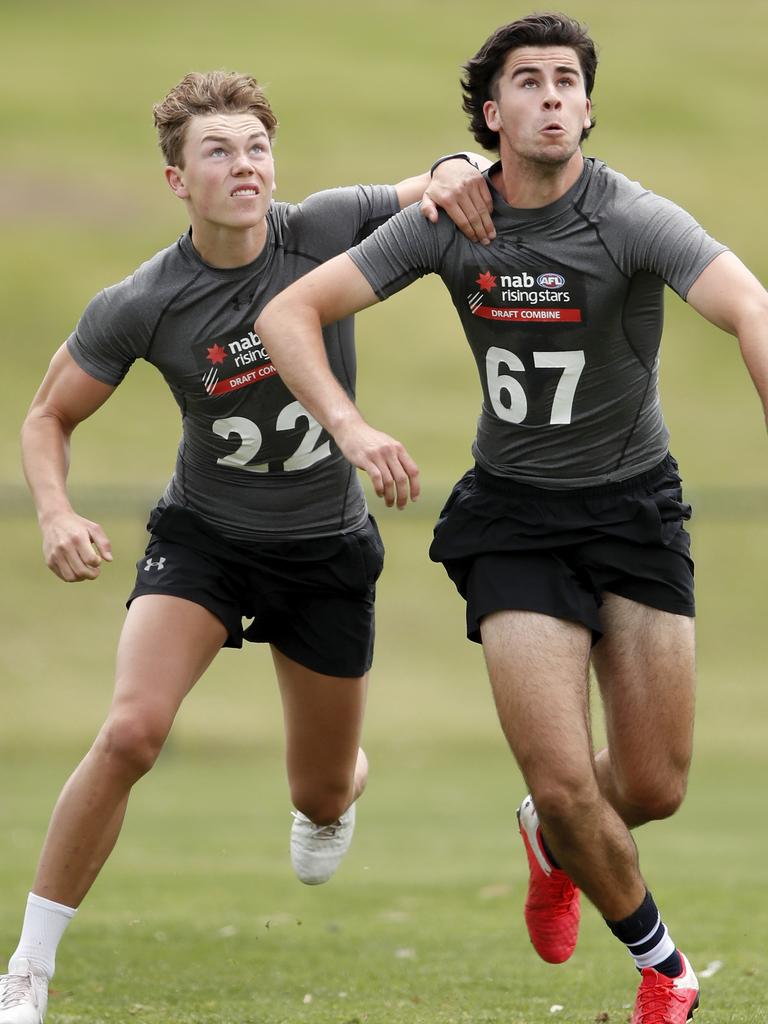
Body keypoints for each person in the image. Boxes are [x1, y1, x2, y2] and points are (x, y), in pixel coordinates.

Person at [253, 13, 768, 1022]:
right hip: (513, 520)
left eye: (566, 80)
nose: (549, 95)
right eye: (527, 81)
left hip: (634, 508)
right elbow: (286, 313)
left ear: (586, 107)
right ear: (494, 114)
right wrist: (351, 428)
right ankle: (667, 969)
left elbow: (751, 307)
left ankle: (547, 832)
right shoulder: (454, 217)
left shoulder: (633, 217)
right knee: (572, 778)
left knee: (654, 784)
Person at [0, 70, 494, 1024]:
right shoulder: (143, 298)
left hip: (326, 551)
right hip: (205, 541)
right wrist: (56, 512)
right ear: (177, 179)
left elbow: (453, 177)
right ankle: (26, 967)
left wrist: (450, 163)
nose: (243, 165)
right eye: (217, 151)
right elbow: (45, 416)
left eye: (255, 147)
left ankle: (338, 791)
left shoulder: (324, 227)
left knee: (316, 796)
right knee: (134, 731)